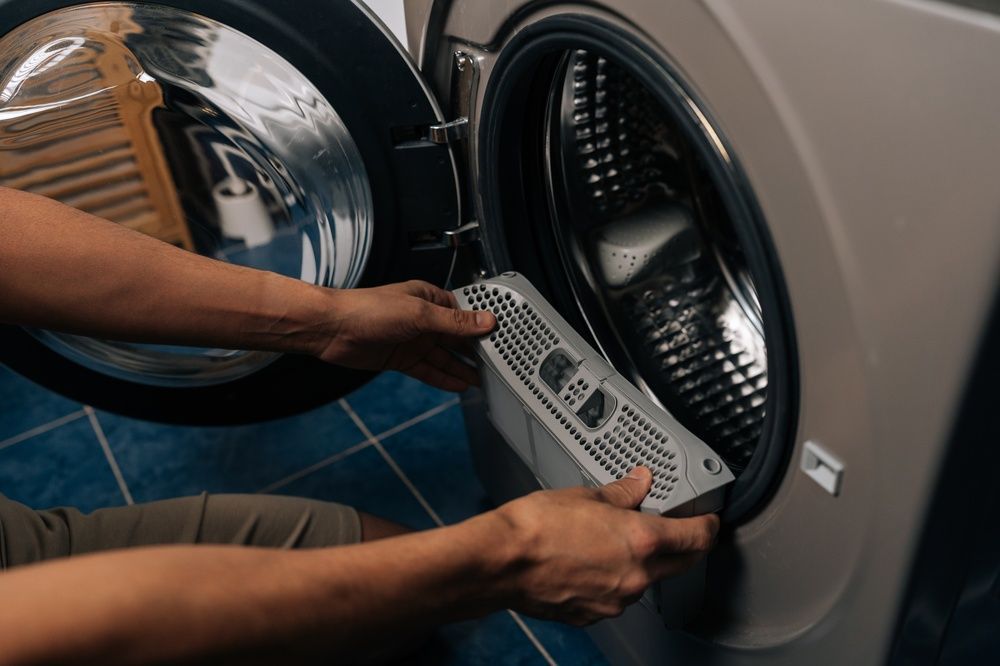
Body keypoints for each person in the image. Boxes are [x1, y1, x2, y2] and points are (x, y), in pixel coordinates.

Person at [0, 186, 719, 664]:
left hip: (19, 551)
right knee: (406, 592)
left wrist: (326, 319)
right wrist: (507, 558)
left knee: (393, 591)